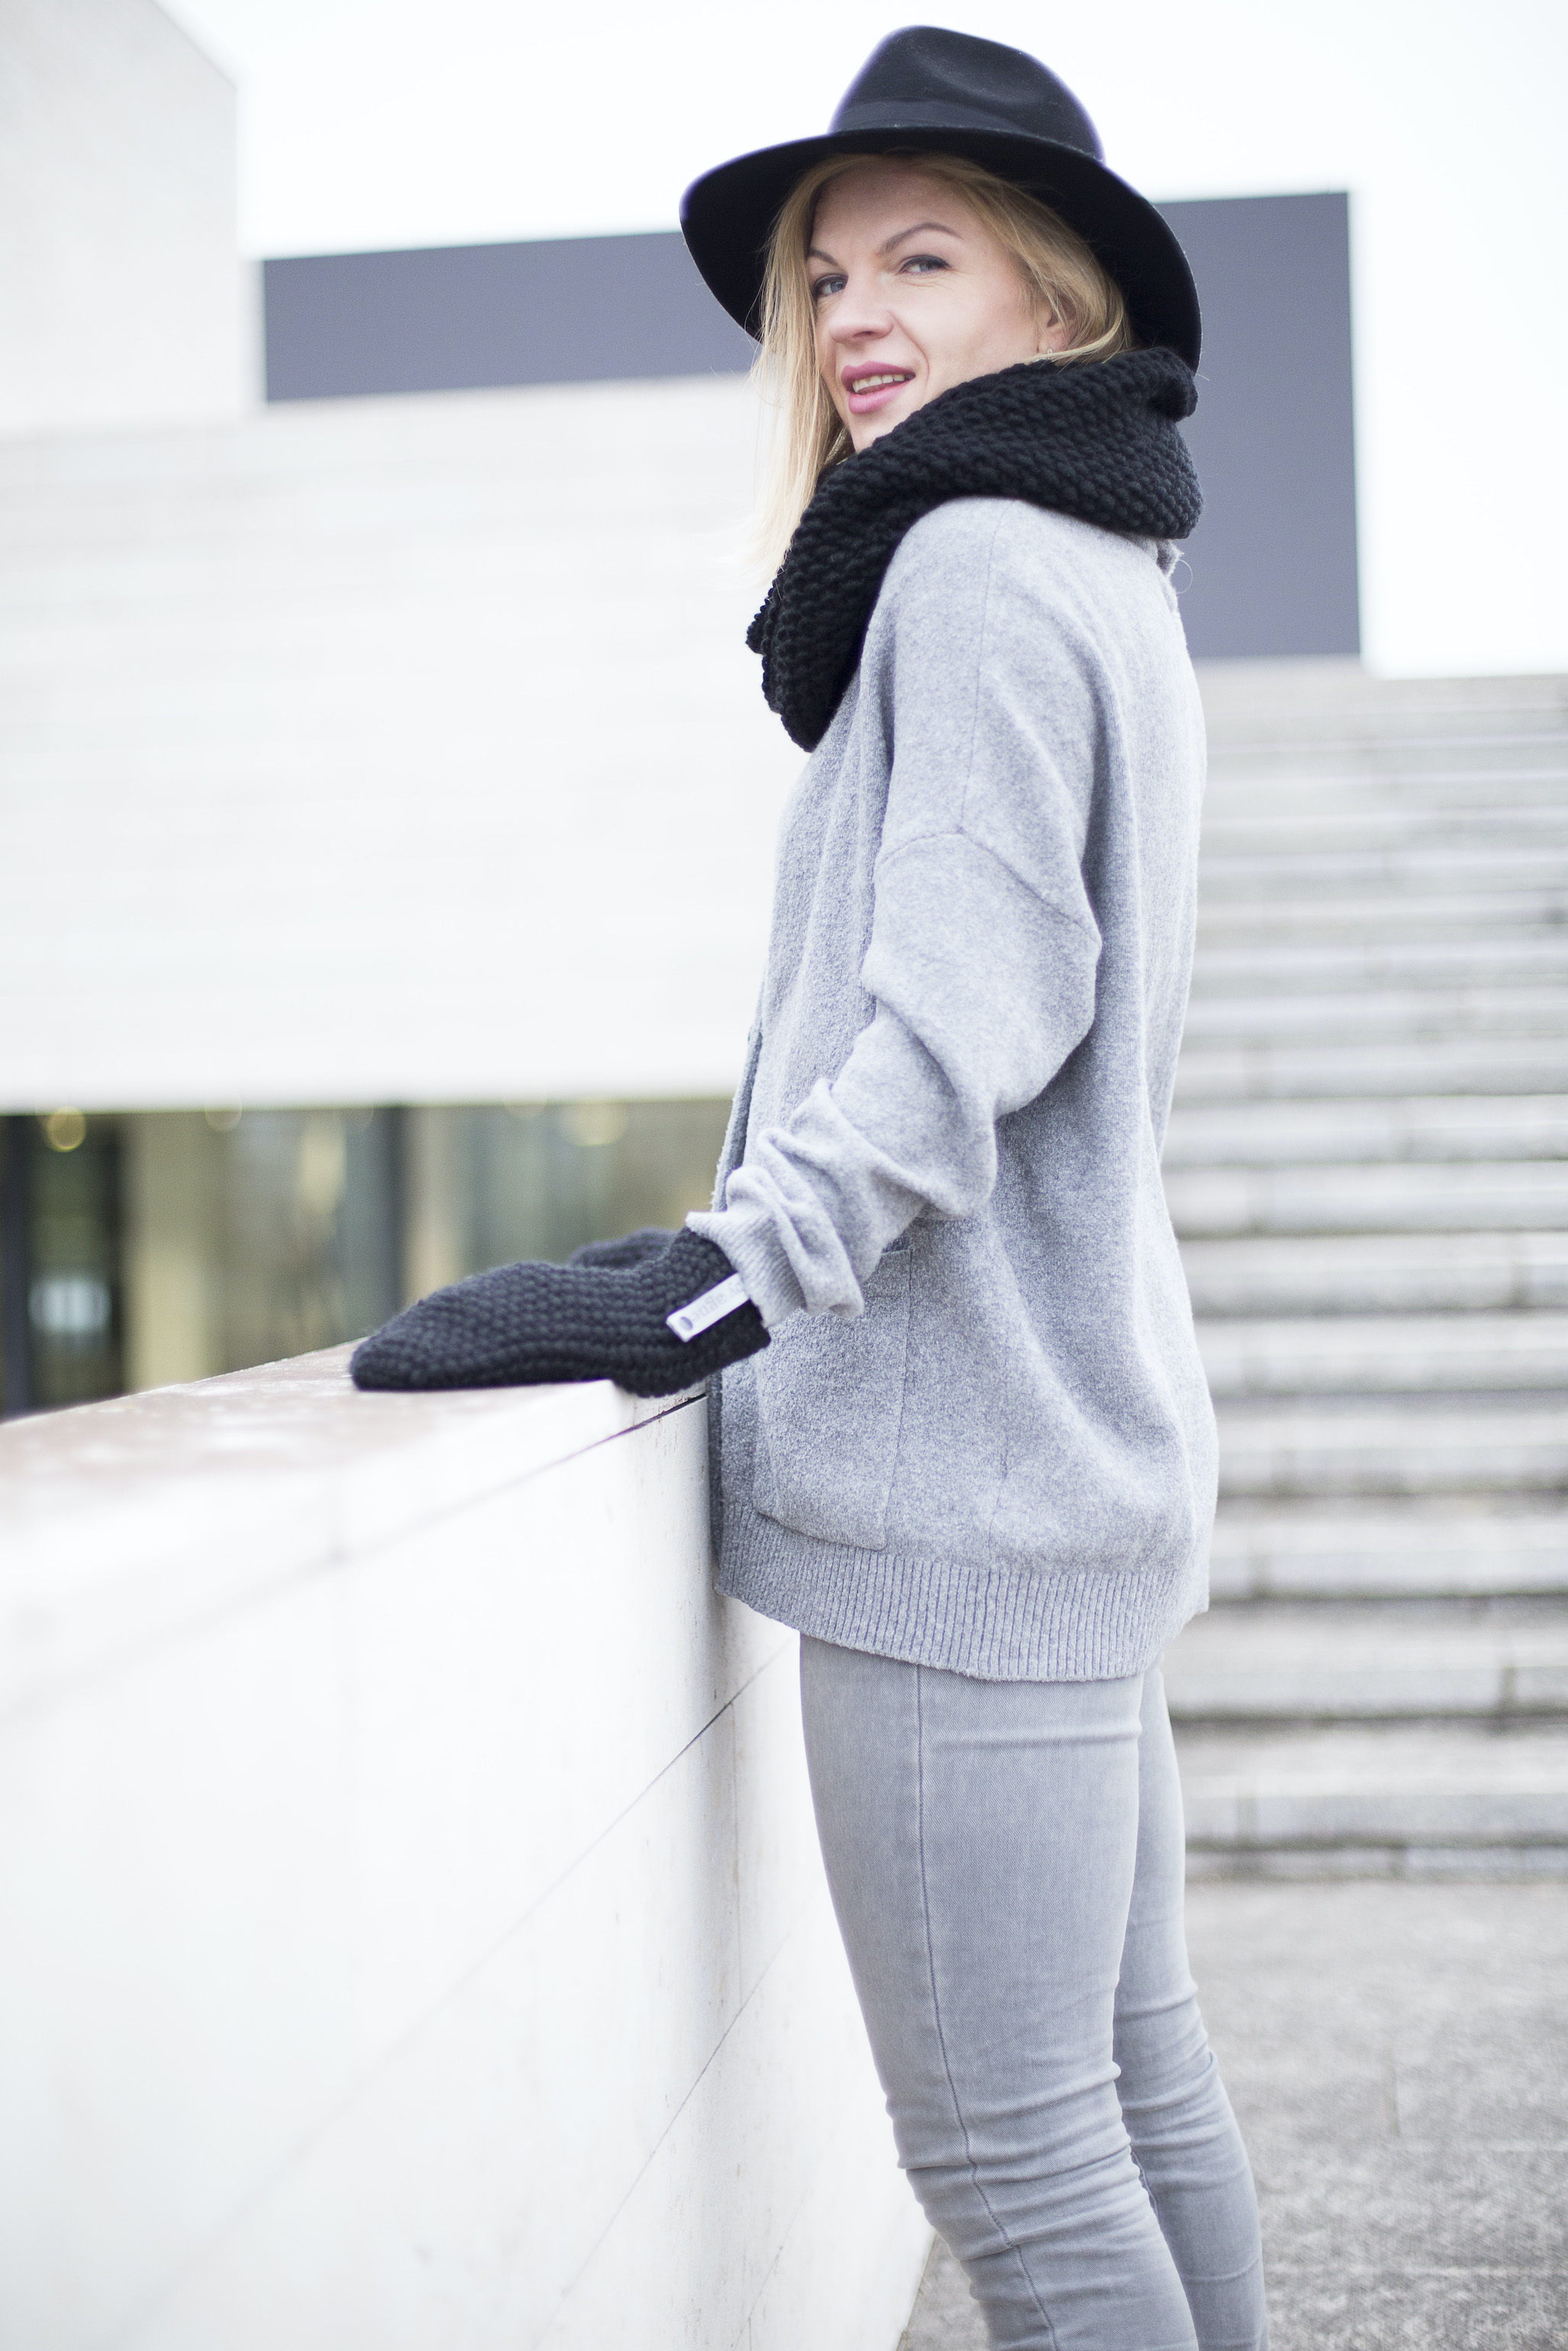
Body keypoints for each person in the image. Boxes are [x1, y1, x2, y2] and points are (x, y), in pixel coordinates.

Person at [353, 26, 1268, 2349]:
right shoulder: (1105, 556)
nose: (856, 315)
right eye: (829, 276)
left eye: (923, 261)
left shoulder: (971, 562)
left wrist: (711, 1281)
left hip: (965, 1499)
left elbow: (964, 1030)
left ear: (1057, 298)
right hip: (1075, 1457)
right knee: (1141, 2094)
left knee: (1022, 2172)